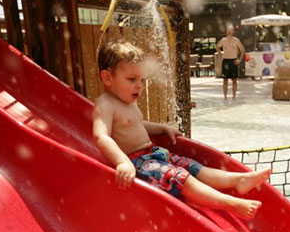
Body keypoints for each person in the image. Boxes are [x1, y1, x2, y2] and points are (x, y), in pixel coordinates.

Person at [92, 40, 271, 219]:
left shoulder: (127, 102)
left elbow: (136, 124)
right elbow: (101, 136)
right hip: (138, 164)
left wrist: (162, 127)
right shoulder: (105, 104)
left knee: (194, 167)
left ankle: (238, 180)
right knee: (182, 178)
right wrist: (122, 162)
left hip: (154, 154)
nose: (140, 85)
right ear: (108, 78)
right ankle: (230, 203)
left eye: (142, 80)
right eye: (132, 79)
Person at [216, 24, 245, 100]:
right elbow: (217, 47)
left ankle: (234, 96)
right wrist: (220, 54)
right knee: (225, 80)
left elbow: (242, 50)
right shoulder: (223, 40)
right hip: (226, 61)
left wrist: (239, 60)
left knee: (234, 80)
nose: (229, 31)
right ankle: (225, 96)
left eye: (231, 30)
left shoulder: (236, 40)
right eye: (228, 29)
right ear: (227, 31)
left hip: (233, 61)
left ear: (233, 31)